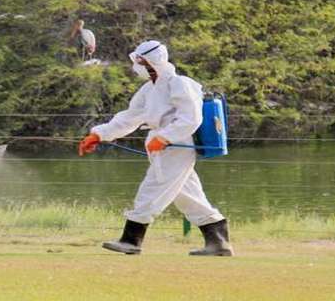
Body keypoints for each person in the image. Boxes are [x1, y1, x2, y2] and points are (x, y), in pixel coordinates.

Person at [78, 40, 233, 256]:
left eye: (141, 61)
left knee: (152, 189)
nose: (137, 65)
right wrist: (99, 134)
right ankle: (218, 242)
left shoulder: (179, 83)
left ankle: (131, 240)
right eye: (137, 61)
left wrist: (166, 138)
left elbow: (191, 118)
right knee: (187, 195)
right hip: (161, 146)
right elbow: (130, 118)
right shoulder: (148, 89)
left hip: (178, 145)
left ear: (154, 61)